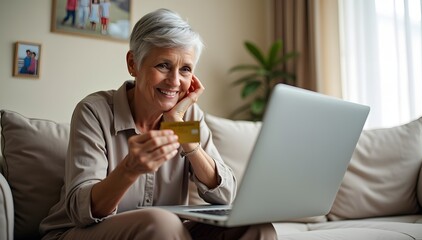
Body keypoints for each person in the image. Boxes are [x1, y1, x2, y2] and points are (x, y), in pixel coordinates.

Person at [39, 8, 277, 240]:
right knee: (160, 222)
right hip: (82, 232)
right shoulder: (94, 111)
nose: (174, 81)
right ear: (133, 63)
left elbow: (225, 196)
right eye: (163, 65)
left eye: (185, 69)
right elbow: (82, 211)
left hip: (165, 232)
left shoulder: (188, 116)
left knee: (255, 227)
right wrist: (130, 168)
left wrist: (181, 131)